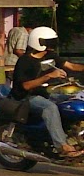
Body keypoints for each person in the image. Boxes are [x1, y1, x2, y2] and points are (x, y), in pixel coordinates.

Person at [9, 25, 84, 158]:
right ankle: (62, 145)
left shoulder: (50, 55)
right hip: (26, 97)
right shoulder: (25, 61)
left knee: (73, 98)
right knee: (50, 107)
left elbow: (71, 66)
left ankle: (72, 133)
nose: (51, 45)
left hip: (44, 93)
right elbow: (25, 86)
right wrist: (49, 76)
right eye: (48, 42)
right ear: (38, 42)